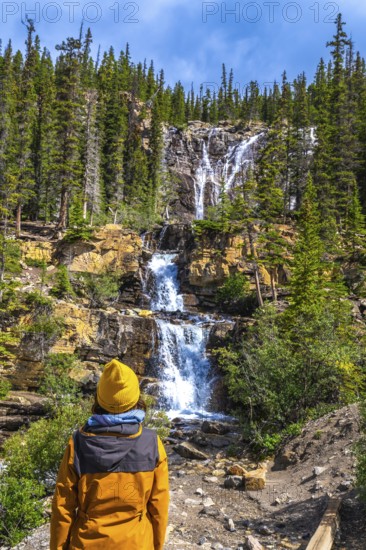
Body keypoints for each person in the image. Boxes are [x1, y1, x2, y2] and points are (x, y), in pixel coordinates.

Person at [50, 359, 169, 549]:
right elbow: (159, 507)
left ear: (99, 398)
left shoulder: (78, 443)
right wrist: (156, 546)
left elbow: (63, 508)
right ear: (136, 399)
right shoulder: (152, 443)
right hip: (137, 543)